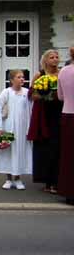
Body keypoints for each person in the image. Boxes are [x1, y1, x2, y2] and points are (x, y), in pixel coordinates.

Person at [28, 49, 62, 194]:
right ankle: (47, 181)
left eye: (56, 57)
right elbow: (31, 94)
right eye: (51, 57)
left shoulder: (62, 73)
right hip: (44, 114)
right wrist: (44, 94)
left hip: (59, 112)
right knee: (45, 147)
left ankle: (57, 181)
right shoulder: (39, 75)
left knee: (58, 146)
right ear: (46, 60)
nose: (54, 60)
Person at [0, 70, 32, 190]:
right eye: (19, 77)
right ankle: (9, 178)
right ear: (11, 80)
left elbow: (31, 110)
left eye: (23, 77)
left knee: (20, 151)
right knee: (8, 151)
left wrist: (30, 127)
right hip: (8, 127)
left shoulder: (27, 93)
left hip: (22, 128)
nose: (22, 79)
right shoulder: (7, 92)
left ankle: (18, 178)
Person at [57, 58, 74, 204]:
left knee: (68, 155)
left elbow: (60, 96)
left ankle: (68, 191)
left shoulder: (63, 71)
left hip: (67, 114)